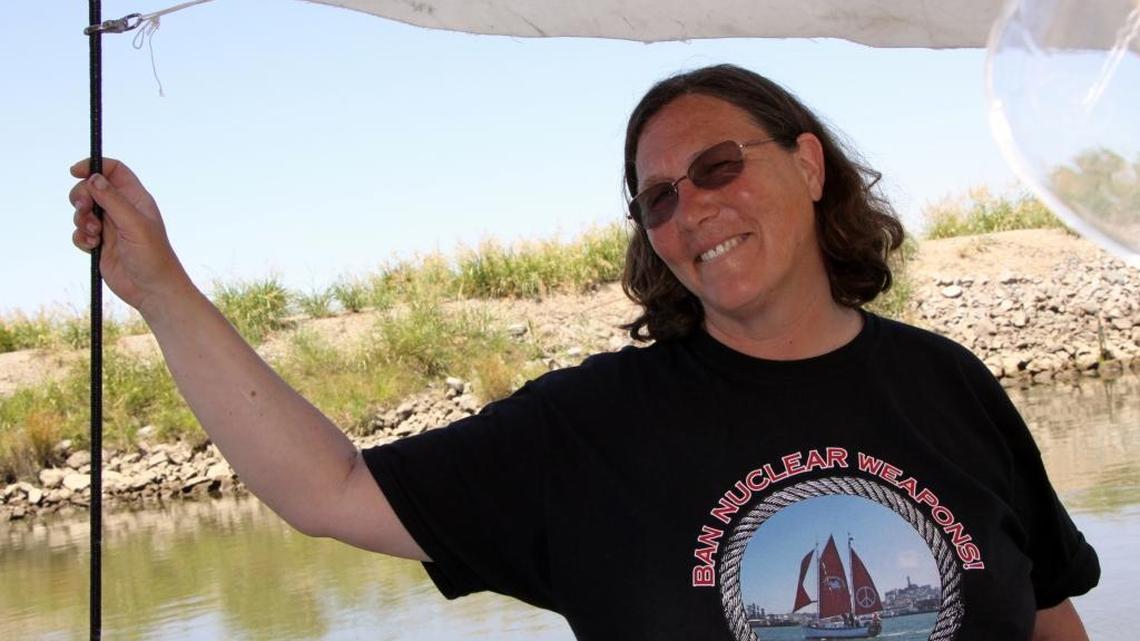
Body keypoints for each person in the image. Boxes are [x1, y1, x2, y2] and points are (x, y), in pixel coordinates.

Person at [69, 64, 1098, 640]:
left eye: (717, 166)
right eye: (658, 198)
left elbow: (1049, 617)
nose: (691, 208)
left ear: (810, 164)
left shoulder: (947, 383)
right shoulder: (593, 426)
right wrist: (160, 286)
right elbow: (329, 489)